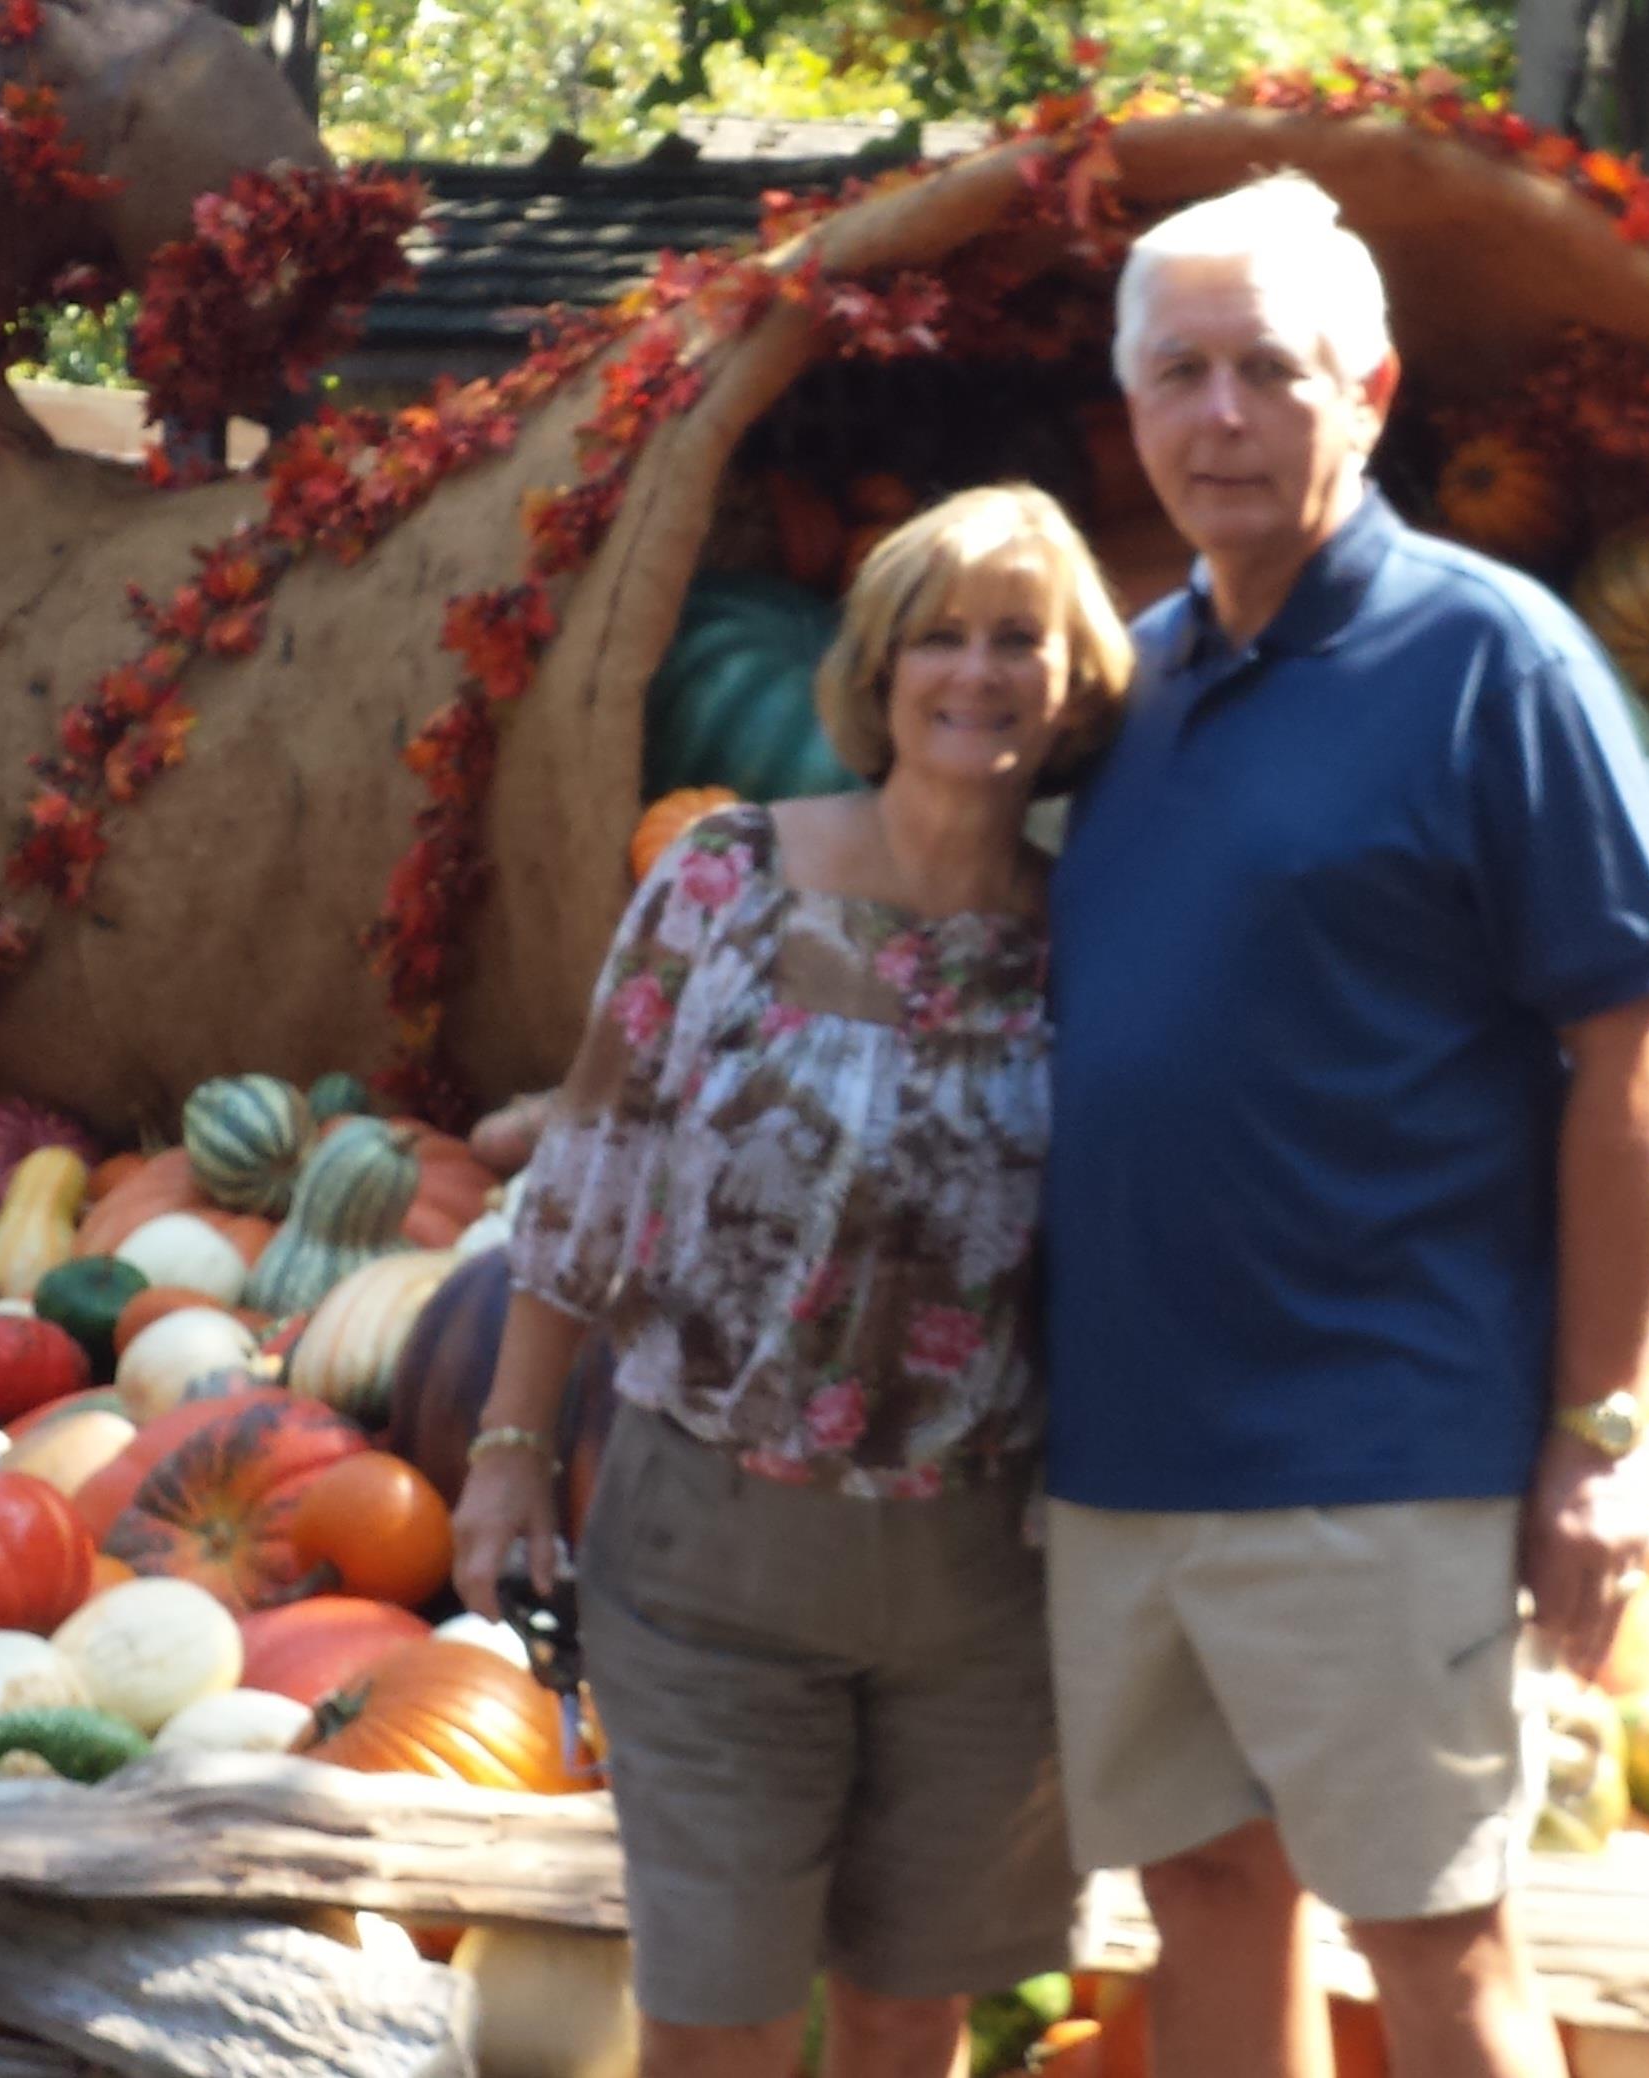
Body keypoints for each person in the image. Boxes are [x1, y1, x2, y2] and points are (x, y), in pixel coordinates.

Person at [1040, 175, 1649, 2078]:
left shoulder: (1488, 660)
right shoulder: (1128, 684)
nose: (1222, 413)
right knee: (1205, 1905)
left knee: (1437, 1942)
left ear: (1372, 389)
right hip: (1120, 1450)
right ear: (1132, 406)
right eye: (1180, 372)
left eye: (1270, 368)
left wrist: (1594, 1432)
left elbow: (1636, 1053)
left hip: (1381, 1446)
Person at [448, 483, 1134, 2078]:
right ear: (877, 672)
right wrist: (504, 1452)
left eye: (1019, 639)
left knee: (907, 2019)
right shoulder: (723, 882)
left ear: (1075, 679)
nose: (978, 673)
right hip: (709, 1556)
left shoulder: (1093, 934)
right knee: (718, 2026)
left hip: (985, 1569)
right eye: (940, 637)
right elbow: (591, 1170)